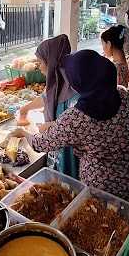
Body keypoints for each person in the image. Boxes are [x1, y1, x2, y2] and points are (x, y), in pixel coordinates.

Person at [12, 50, 129, 207]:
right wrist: (57, 125)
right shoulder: (124, 95)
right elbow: (103, 127)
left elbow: (40, 144)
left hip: (101, 185)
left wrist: (23, 132)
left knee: (103, 223)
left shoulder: (76, 118)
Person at [17, 35, 79, 178]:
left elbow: (78, 123)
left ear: (50, 61)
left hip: (70, 151)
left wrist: (52, 125)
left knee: (70, 185)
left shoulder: (74, 87)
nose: (39, 67)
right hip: (55, 144)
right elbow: (46, 98)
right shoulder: (56, 80)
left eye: (40, 62)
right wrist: (25, 109)